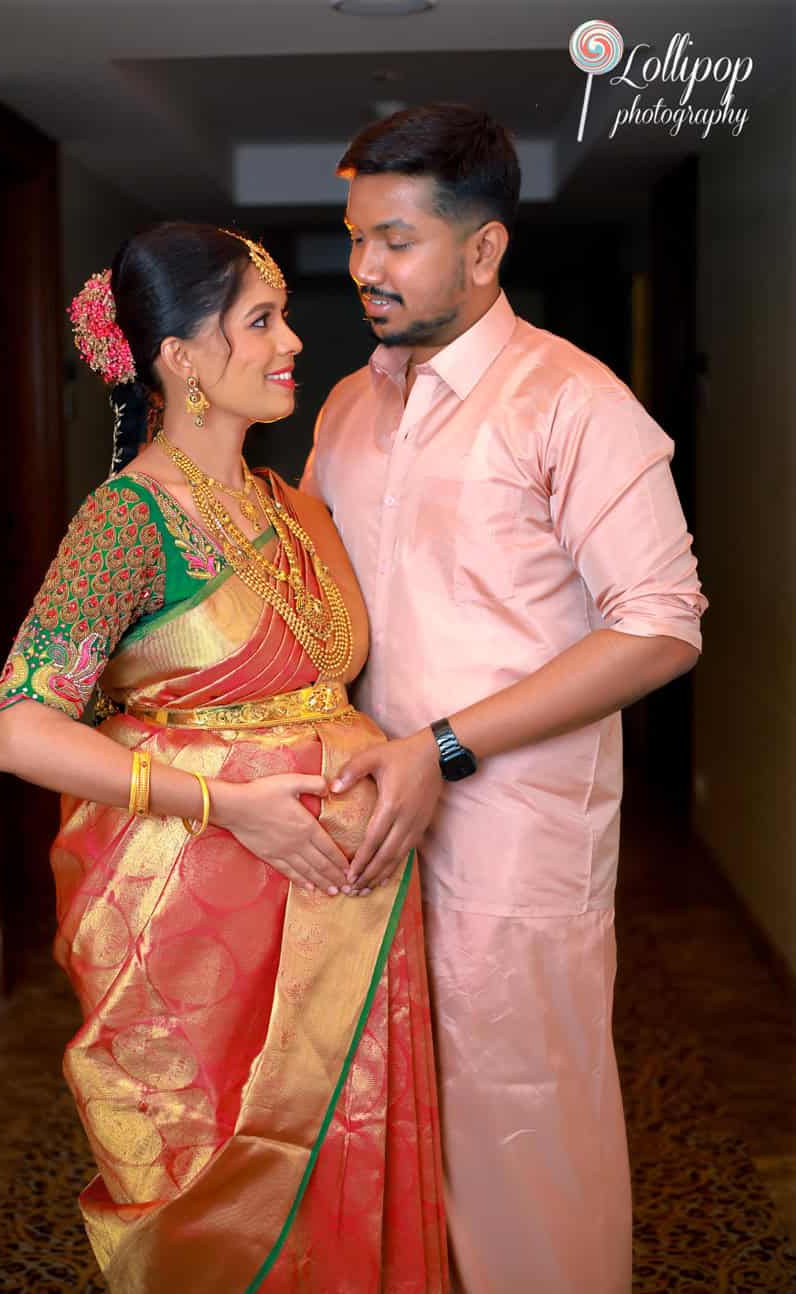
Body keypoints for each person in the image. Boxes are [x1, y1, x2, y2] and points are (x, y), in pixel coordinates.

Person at [0, 222, 448, 1294]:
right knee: (229, 1210)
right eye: (260, 319)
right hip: (202, 942)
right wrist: (226, 802)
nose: (291, 340)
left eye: (282, 314)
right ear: (180, 359)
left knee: (352, 1173)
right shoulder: (126, 522)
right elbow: (19, 726)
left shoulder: (291, 508)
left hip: (350, 905)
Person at [303, 105, 708, 1293]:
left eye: (395, 239)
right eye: (354, 237)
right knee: (389, 1116)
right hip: (372, 825)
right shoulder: (346, 407)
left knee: (523, 1126)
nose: (364, 268)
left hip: (515, 839)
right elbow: (310, 598)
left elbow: (661, 624)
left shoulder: (572, 403)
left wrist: (442, 745)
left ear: (484, 251)